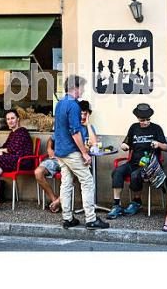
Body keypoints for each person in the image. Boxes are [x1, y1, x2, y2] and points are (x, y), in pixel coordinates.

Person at [54, 75, 109, 230]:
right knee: (87, 181)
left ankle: (67, 218)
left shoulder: (60, 104)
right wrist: (84, 152)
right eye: (82, 87)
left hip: (60, 151)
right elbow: (75, 132)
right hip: (71, 151)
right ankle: (91, 219)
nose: (83, 90)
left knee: (66, 184)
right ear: (75, 88)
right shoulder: (74, 106)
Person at [106, 103, 167, 219]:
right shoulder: (134, 127)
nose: (145, 122)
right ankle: (116, 205)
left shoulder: (156, 128)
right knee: (117, 171)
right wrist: (124, 145)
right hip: (133, 162)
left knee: (135, 175)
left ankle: (136, 202)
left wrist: (158, 144)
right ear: (138, 118)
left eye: (147, 120)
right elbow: (126, 142)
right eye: (142, 120)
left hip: (149, 166)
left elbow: (166, 147)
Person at [35, 100, 97, 213]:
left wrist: (88, 124)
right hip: (58, 158)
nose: (82, 116)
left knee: (71, 177)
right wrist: (49, 149)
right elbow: (51, 139)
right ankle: (55, 199)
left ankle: (58, 203)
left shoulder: (88, 128)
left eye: (85, 114)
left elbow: (94, 143)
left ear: (88, 114)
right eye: (81, 113)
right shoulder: (67, 125)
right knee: (38, 172)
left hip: (75, 160)